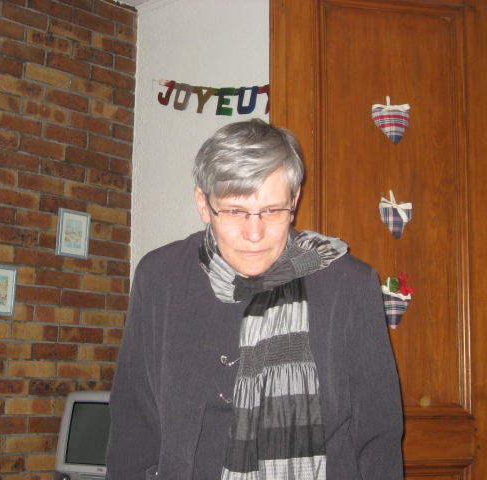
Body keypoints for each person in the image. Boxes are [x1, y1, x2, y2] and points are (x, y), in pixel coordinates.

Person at [106, 119, 403, 480]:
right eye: (234, 211)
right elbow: (134, 420)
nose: (254, 233)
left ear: (294, 200)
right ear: (203, 203)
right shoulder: (160, 277)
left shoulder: (348, 284)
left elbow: (378, 433)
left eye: (272, 210)